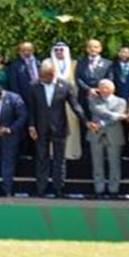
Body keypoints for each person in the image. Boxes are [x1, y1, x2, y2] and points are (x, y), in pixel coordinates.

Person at [28, 60, 84, 198]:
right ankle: (41, 188)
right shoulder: (34, 86)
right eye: (41, 75)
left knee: (59, 159)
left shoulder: (64, 85)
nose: (42, 78)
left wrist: (86, 121)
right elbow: (31, 109)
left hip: (59, 127)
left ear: (52, 74)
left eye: (44, 76)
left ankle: (58, 188)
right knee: (42, 158)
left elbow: (75, 105)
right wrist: (31, 125)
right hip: (40, 128)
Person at [87, 79, 126, 199]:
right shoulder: (93, 100)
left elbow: (115, 119)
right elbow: (97, 110)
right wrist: (115, 115)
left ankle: (113, 189)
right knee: (97, 164)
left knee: (114, 164)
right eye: (101, 87)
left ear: (113, 89)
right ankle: (99, 189)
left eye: (106, 87)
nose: (104, 90)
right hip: (96, 135)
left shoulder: (121, 101)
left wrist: (102, 123)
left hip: (113, 135)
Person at [49, 42, 83, 161]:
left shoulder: (74, 64)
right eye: (56, 50)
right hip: (54, 101)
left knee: (72, 126)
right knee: (54, 126)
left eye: (61, 50)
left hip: (71, 101)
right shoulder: (49, 64)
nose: (59, 52)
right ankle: (54, 153)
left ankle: (72, 152)